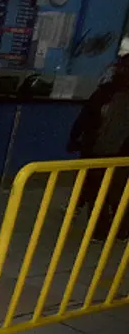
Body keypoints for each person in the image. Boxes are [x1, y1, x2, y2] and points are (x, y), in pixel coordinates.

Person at [69, 54, 129, 237]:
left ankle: (100, 230)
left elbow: (86, 117)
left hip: (99, 149)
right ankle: (120, 230)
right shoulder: (108, 91)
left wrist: (75, 138)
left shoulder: (107, 91)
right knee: (118, 192)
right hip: (121, 152)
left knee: (98, 189)